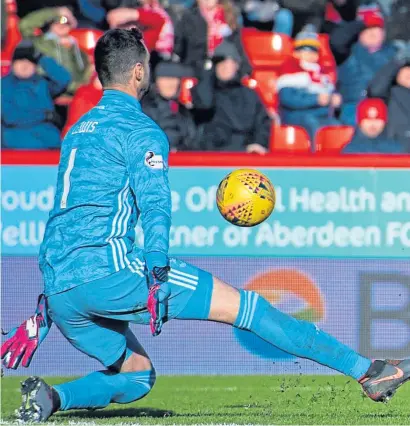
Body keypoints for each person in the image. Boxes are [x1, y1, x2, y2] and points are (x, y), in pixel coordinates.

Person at [2, 27, 410, 423]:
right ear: (139, 73)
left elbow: (65, 217)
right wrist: (157, 270)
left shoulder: (75, 132)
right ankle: (368, 372)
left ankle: (51, 398)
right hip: (113, 272)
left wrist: (45, 309)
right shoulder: (141, 130)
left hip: (61, 290)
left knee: (138, 375)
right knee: (250, 308)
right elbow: (156, 207)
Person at [191, 40, 270, 152]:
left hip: (245, 154)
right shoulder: (207, 90)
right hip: (212, 155)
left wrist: (258, 144)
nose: (223, 66)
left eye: (227, 61)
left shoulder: (249, 95)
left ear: (236, 65)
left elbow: (262, 124)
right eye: (218, 62)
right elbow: (204, 104)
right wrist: (208, 71)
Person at [330, 4, 396, 125]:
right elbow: (336, 41)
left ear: (384, 32)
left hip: (386, 111)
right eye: (367, 29)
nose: (372, 33)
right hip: (353, 108)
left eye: (376, 27)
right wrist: (362, 22)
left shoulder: (395, 56)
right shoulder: (348, 53)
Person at [1, 40, 71, 149]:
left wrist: (42, 58)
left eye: (29, 61)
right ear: (13, 64)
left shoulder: (42, 83)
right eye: (20, 60)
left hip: (49, 138)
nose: (24, 65)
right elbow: (10, 117)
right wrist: (44, 115)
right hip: (17, 138)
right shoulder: (4, 85)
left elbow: (64, 79)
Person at [277, 27, 340, 141]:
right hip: (297, 115)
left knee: (336, 127)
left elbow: (329, 93)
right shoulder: (290, 71)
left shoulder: (321, 75)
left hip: (322, 114)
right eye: (306, 50)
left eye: (314, 51)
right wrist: (315, 99)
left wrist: (333, 99)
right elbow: (287, 98)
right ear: (296, 53)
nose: (311, 55)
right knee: (313, 126)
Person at [19, 6, 92, 96]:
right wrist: (55, 12)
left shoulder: (78, 49)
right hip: (46, 93)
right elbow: (24, 25)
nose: (61, 25)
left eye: (66, 22)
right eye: (56, 22)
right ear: (50, 25)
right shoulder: (39, 42)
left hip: (75, 97)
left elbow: (86, 74)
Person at [142, 61, 197, 151]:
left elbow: (192, 139)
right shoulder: (146, 109)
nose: (170, 84)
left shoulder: (183, 110)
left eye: (174, 78)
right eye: (165, 78)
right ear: (156, 81)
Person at [367, 48, 410, 152]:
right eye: (405, 68)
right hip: (397, 153)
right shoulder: (390, 94)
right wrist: (397, 61)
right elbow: (376, 89)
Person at [105, 0, 173, 58]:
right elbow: (113, 19)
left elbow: (113, 16)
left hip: (155, 60)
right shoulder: (141, 13)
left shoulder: (158, 15)